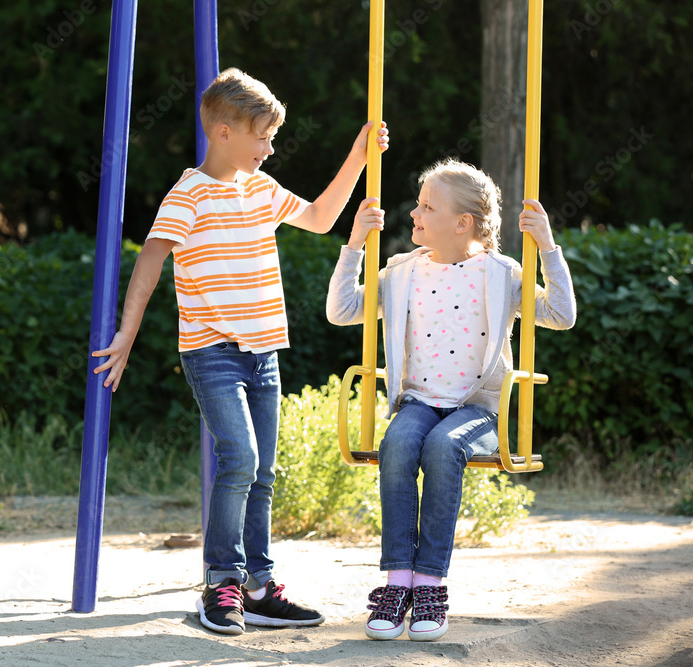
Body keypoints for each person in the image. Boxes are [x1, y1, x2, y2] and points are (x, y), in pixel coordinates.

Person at [92, 67, 389, 636]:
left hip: (265, 353)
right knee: (241, 461)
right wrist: (127, 334)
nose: (270, 148)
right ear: (223, 132)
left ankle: (257, 586)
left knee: (264, 472)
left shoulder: (261, 189)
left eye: (273, 137)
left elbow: (321, 218)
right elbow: (151, 260)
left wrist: (356, 157)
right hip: (213, 353)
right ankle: (221, 581)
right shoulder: (189, 193)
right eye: (262, 137)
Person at [326, 158, 576, 641]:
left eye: (427, 206)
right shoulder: (401, 272)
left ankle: (430, 586)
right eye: (418, 204)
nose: (414, 213)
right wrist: (355, 244)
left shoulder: (502, 274)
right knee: (398, 444)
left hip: (477, 408)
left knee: (444, 447)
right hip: (419, 401)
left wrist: (547, 246)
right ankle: (397, 581)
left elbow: (560, 314)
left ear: (463, 223)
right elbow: (342, 310)